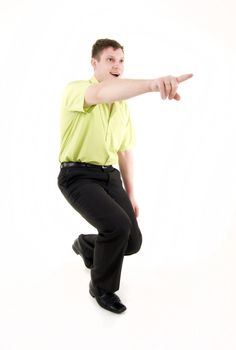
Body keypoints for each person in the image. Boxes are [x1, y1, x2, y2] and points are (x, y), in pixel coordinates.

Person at [57, 38, 193, 314]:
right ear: (94, 63)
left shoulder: (122, 108)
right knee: (117, 227)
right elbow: (102, 93)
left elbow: (124, 151)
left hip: (110, 176)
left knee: (132, 241)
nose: (117, 65)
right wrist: (153, 84)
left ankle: (87, 244)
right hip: (78, 176)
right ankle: (102, 288)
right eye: (110, 59)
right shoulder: (78, 90)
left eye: (121, 60)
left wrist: (131, 194)